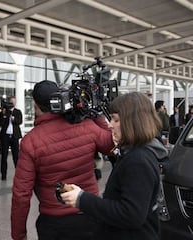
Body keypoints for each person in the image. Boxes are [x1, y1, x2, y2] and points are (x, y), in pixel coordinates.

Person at [11, 80, 114, 240]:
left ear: (36, 105)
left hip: (54, 222)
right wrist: (96, 114)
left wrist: (19, 235)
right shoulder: (87, 126)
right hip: (89, 213)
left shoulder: (30, 141)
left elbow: (21, 194)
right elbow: (111, 146)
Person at [61, 92, 168, 240]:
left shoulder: (138, 160)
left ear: (133, 122)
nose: (110, 125)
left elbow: (131, 214)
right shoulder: (137, 153)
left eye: (116, 120)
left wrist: (82, 199)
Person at [0, 96, 22, 180]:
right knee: (4, 156)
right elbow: (0, 123)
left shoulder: (18, 112)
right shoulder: (4, 112)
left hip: (14, 136)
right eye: (11, 101)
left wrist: (13, 119)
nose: (12, 103)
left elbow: (20, 121)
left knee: (16, 156)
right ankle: (3, 175)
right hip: (5, 136)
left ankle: (18, 174)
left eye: (14, 102)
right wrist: (4, 115)